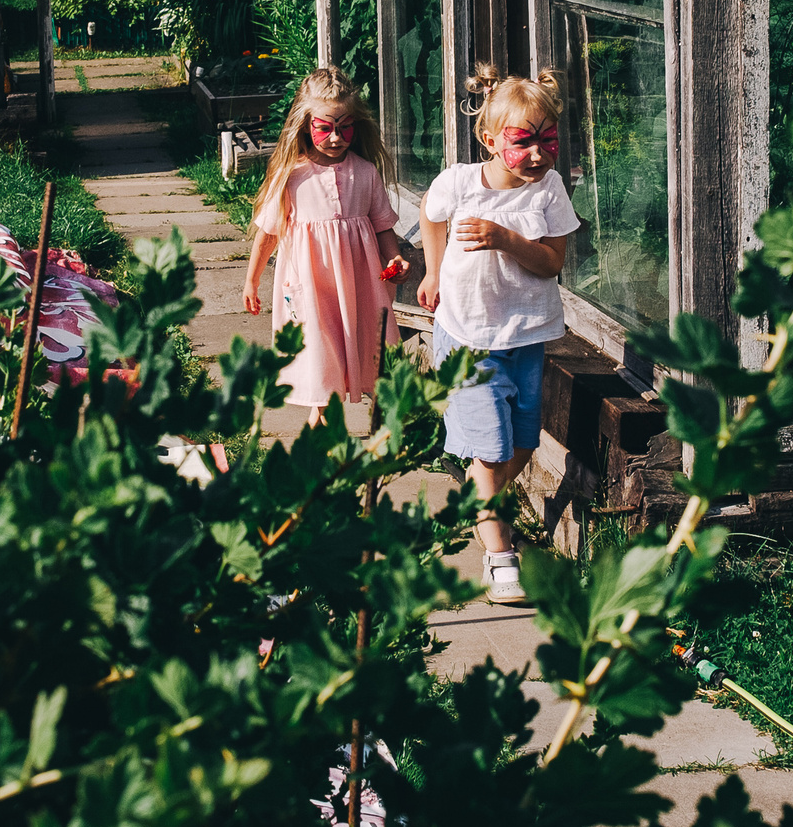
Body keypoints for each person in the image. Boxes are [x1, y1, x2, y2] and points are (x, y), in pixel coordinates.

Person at [417, 64, 578, 605]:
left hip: (526, 336)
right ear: (490, 139)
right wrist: (433, 271)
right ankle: (499, 554)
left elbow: (552, 262)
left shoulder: (548, 190)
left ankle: (479, 502)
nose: (537, 154)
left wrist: (507, 239)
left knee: (524, 443)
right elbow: (431, 213)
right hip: (467, 336)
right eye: (523, 141)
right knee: (491, 451)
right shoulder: (460, 183)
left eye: (547, 140)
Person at [243, 68, 404, 420]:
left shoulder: (365, 172)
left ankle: (326, 443)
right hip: (310, 288)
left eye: (345, 127)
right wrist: (252, 280)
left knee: (362, 350)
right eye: (325, 128)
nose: (336, 137)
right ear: (305, 125)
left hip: (358, 285)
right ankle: (323, 437)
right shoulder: (292, 176)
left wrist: (394, 257)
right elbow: (268, 232)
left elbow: (382, 226)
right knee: (319, 359)